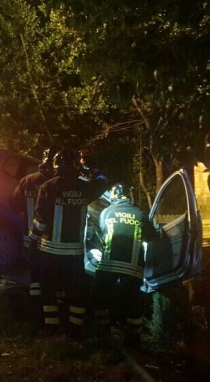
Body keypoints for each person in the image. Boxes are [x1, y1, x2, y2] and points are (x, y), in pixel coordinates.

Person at [33, 149, 107, 339]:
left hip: (49, 251)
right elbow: (102, 183)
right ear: (75, 165)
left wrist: (33, 240)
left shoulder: (48, 187)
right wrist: (91, 166)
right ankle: (74, 331)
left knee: (49, 290)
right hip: (74, 254)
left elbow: (40, 221)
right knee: (76, 292)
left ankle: (52, 329)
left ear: (56, 165)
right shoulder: (84, 188)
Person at [91, 183, 157, 348]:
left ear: (113, 196)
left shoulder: (106, 212)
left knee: (100, 297)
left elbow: (103, 231)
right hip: (133, 267)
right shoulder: (141, 215)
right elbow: (152, 238)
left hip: (108, 265)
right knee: (133, 302)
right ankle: (133, 339)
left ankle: (103, 334)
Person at [12, 147, 59, 310]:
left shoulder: (27, 181)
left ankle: (33, 309)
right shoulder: (57, 184)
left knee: (33, 274)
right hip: (50, 240)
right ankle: (50, 311)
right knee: (50, 276)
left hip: (29, 236)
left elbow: (15, 204)